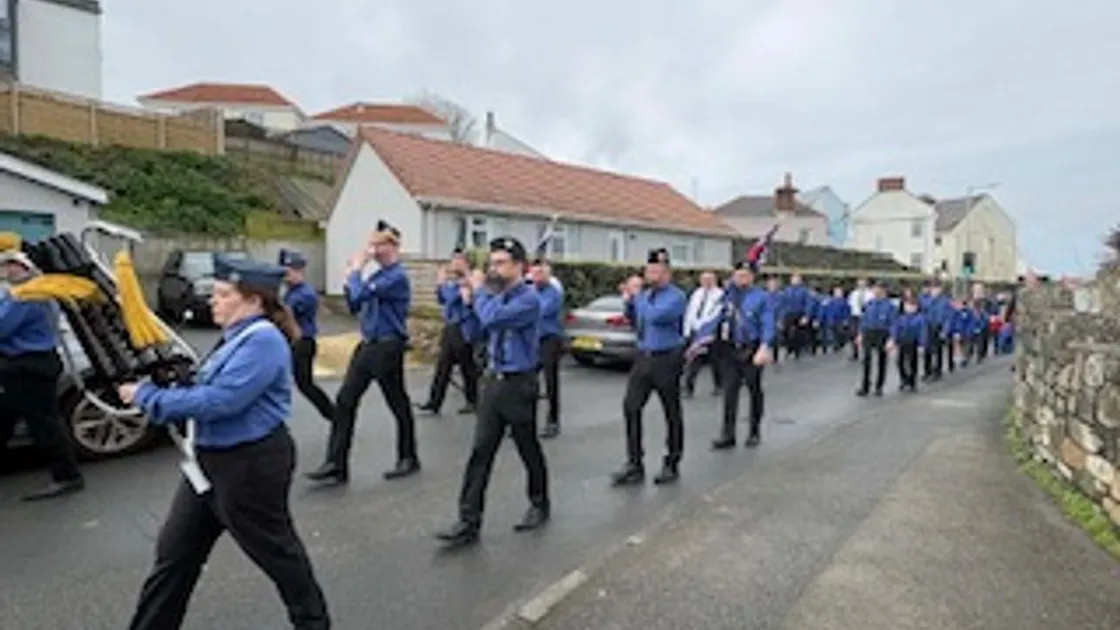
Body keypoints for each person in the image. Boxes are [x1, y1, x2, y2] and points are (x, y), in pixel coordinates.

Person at [118, 256, 330, 630]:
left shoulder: (263, 341)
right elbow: (205, 388)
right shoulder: (233, 337)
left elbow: (221, 401)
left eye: (223, 294)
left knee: (278, 555)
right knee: (174, 557)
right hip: (208, 463)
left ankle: (314, 623)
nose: (213, 300)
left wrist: (147, 397)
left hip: (250, 465)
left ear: (253, 300)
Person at [435, 237, 549, 549]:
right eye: (492, 262)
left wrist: (480, 291)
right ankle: (468, 520)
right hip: (493, 381)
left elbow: (495, 318)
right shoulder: (494, 296)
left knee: (527, 447)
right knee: (480, 451)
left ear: (518, 266)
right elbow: (477, 332)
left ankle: (539, 502)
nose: (494, 268)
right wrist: (465, 301)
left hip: (518, 382)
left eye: (500, 263)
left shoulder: (528, 299)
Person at [307, 220, 419, 485]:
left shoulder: (396, 276)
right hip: (368, 343)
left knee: (397, 403)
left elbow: (360, 295)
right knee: (345, 400)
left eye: (378, 244)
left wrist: (356, 270)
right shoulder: (377, 276)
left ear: (392, 246)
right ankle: (336, 463)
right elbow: (355, 303)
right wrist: (351, 278)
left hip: (387, 345)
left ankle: (408, 456)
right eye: (371, 244)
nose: (372, 250)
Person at [0, 251, 85, 501]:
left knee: (44, 424)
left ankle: (68, 476)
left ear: (24, 268)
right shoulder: (20, 293)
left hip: (29, 366)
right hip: (23, 364)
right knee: (5, 418)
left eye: (10, 265)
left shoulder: (29, 295)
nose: (5, 270)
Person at [612, 248, 687, 486]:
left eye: (657, 271)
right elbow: (635, 319)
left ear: (667, 274)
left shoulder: (675, 297)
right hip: (643, 356)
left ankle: (672, 461)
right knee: (631, 407)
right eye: (649, 270)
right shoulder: (643, 296)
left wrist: (635, 297)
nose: (652, 274)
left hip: (667, 357)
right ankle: (634, 462)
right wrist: (631, 303)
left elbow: (656, 316)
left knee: (671, 411)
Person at [693, 261, 774, 448]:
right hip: (729, 349)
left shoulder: (761, 297)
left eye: (745, 275)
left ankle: (754, 431)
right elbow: (715, 318)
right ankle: (728, 434)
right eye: (738, 275)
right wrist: (700, 338)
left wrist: (765, 346)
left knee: (754, 390)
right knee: (729, 391)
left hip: (751, 349)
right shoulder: (728, 296)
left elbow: (767, 322)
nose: (741, 279)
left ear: (752, 277)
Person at [417, 248, 479, 416]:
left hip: (464, 327)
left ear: (466, 262)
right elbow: (443, 299)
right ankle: (434, 402)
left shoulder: (470, 280)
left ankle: (473, 400)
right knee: (442, 366)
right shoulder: (455, 282)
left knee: (467, 367)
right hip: (451, 326)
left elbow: (453, 297)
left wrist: (443, 284)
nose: (454, 263)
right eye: (453, 259)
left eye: (458, 259)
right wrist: (440, 285)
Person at [279, 249, 335, 422]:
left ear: (299, 271)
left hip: (302, 343)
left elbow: (287, 314)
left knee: (305, 384)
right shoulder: (292, 291)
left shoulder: (304, 294)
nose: (286, 277)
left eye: (289, 273)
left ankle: (334, 414)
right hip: (292, 342)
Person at [530, 258, 564, 438]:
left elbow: (541, 311)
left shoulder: (553, 293)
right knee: (527, 381)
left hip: (550, 339)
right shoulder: (530, 291)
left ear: (548, 275)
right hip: (533, 340)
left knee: (551, 382)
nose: (537, 276)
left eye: (541, 273)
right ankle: (525, 420)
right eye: (534, 273)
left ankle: (553, 421)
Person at [682, 271, 724, 397]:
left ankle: (719, 386)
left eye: (709, 279)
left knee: (715, 362)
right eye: (703, 279)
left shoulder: (720, 295)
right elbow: (690, 312)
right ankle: (688, 388)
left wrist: (706, 328)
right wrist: (687, 330)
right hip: (696, 333)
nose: (706, 282)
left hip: (712, 333)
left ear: (714, 280)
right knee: (694, 361)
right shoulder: (697, 293)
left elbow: (717, 314)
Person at [856, 281, 897, 397]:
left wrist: (891, 339)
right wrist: (860, 334)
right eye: (874, 289)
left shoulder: (890, 306)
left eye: (879, 289)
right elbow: (864, 320)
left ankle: (879, 386)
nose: (876, 291)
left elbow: (893, 323)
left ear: (884, 291)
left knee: (881, 360)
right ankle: (865, 386)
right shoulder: (869, 304)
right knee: (866, 360)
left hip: (882, 332)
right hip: (869, 332)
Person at [889, 298, 928, 392]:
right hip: (902, 341)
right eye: (908, 306)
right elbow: (895, 329)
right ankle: (903, 379)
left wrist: (921, 345)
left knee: (912, 362)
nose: (910, 308)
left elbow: (922, 332)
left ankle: (912, 382)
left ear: (917, 307)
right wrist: (892, 340)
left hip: (913, 342)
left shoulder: (920, 318)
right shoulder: (900, 317)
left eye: (912, 306)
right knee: (900, 362)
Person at [920, 282, 951, 381]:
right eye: (933, 289)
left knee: (937, 350)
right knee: (927, 350)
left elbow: (947, 318)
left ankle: (937, 370)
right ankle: (927, 371)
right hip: (928, 326)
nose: (934, 291)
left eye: (937, 289)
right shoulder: (926, 300)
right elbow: (923, 312)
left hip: (938, 326)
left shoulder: (945, 301)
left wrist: (945, 331)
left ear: (941, 290)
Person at [780, 274, 811, 359]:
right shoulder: (787, 290)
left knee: (798, 333)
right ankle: (789, 348)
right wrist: (781, 315)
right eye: (794, 279)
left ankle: (797, 351)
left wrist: (806, 315)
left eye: (797, 279)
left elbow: (808, 304)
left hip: (799, 313)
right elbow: (782, 303)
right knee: (786, 331)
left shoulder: (804, 291)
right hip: (788, 313)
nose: (795, 281)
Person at [847, 279, 872, 361]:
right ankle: (855, 353)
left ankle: (865, 355)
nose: (861, 286)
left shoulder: (870, 294)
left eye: (863, 284)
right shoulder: (853, 294)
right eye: (859, 284)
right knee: (853, 334)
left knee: (865, 336)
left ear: (866, 285)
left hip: (865, 317)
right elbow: (850, 305)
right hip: (855, 316)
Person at [821, 286, 851, 353]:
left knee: (840, 332)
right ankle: (835, 346)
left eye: (840, 292)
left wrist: (845, 320)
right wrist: (822, 318)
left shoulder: (844, 301)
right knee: (833, 333)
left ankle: (840, 344)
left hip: (840, 319)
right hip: (830, 319)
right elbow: (824, 310)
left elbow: (846, 311)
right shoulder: (829, 300)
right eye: (837, 292)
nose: (838, 293)